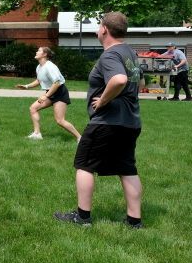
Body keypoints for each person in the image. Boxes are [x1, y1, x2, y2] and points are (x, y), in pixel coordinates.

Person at [54, 12, 144, 229]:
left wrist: (103, 101)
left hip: (107, 122)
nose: (97, 30)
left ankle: (82, 217)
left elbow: (119, 79)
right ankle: (134, 221)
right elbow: (139, 82)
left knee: (84, 164)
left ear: (104, 29)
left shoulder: (110, 55)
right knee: (127, 168)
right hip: (130, 121)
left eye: (98, 26)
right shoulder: (130, 53)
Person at [16, 46, 81, 141]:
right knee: (33, 108)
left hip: (59, 92)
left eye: (39, 50)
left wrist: (46, 96)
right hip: (50, 92)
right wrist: (26, 86)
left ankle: (80, 138)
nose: (36, 52)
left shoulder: (50, 66)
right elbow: (39, 80)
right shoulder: (39, 67)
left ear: (45, 54)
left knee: (60, 120)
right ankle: (37, 134)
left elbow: (57, 83)